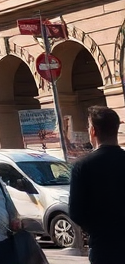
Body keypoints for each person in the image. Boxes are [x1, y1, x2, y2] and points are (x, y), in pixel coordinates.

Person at [69, 106, 125, 263]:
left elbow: (75, 212)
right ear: (116, 129)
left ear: (93, 131)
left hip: (103, 246)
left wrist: (96, 229)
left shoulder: (82, 166)